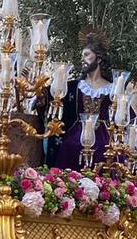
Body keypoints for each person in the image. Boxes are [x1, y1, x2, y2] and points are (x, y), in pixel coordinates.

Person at [49, 32, 116, 170]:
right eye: (82, 56)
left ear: (98, 59)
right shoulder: (74, 87)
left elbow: (126, 115)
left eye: (86, 55)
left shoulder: (113, 89)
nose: (82, 59)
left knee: (109, 154)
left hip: (104, 138)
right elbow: (53, 98)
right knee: (69, 146)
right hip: (76, 135)